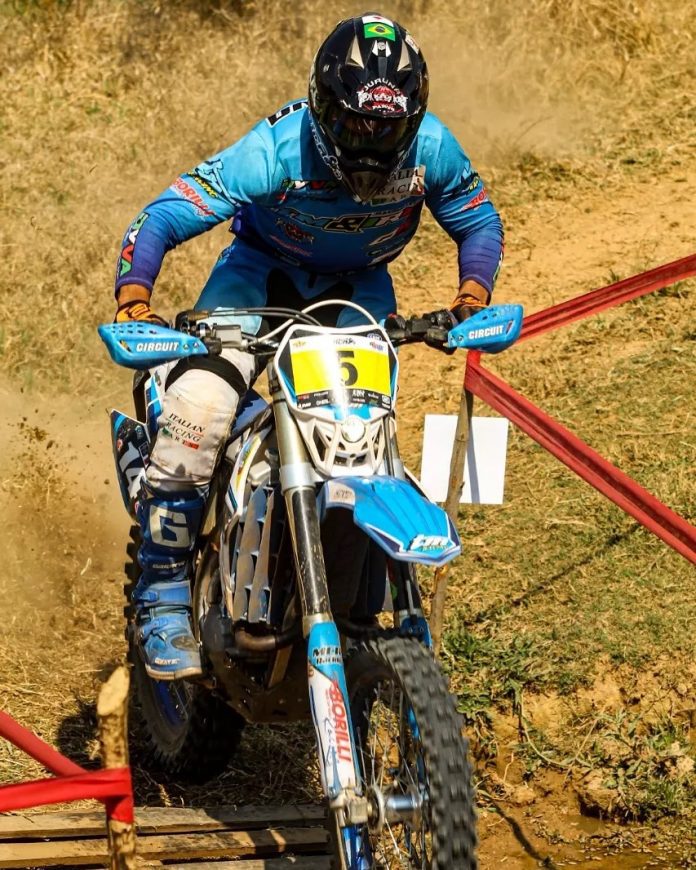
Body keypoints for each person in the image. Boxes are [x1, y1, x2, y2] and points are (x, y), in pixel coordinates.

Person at [114, 13, 504, 680]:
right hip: (256, 281)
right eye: (354, 125)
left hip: (359, 292)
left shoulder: (434, 150)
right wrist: (134, 298)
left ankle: (348, 597)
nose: (370, 144)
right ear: (323, 107)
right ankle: (162, 592)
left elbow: (479, 222)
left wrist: (472, 294)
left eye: (387, 129)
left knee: (360, 437)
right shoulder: (272, 151)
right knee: (199, 408)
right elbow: (163, 215)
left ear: (413, 120)